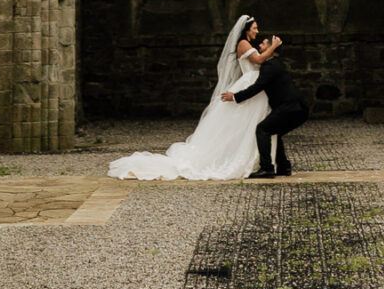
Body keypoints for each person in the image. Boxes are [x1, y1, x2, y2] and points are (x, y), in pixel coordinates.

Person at [107, 16, 269, 181]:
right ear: (246, 29)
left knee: (248, 124)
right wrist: (274, 47)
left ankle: (259, 160)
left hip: (253, 85)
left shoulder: (249, 44)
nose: (257, 31)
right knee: (245, 123)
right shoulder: (243, 43)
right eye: (255, 28)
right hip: (248, 83)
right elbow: (258, 59)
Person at [222, 30, 308, 177]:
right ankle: (283, 167)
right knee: (275, 131)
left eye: (263, 44)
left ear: (270, 48)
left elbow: (257, 87)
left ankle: (267, 168)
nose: (259, 46)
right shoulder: (275, 63)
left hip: (291, 108)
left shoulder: (270, 66)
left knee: (263, 129)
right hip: (298, 108)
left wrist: (235, 97)